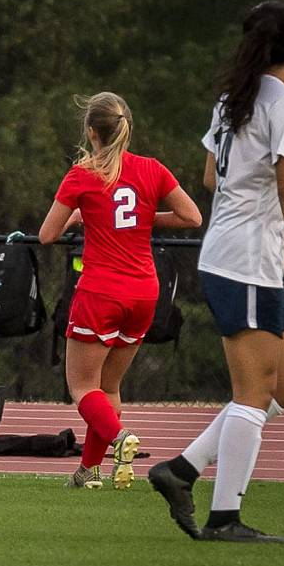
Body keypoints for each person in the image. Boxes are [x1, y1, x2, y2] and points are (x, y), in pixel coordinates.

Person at [149, 0, 284, 543]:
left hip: (234, 251)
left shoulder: (233, 99)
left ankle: (182, 469)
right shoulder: (283, 102)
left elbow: (211, 177)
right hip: (247, 258)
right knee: (253, 393)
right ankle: (225, 517)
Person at [38, 92, 201, 491]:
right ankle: (90, 472)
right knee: (109, 387)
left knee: (81, 387)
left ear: (92, 132)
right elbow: (192, 216)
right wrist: (145, 219)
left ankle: (119, 437)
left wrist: (80, 217)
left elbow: (47, 235)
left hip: (101, 291)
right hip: (145, 292)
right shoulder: (151, 168)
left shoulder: (82, 174)